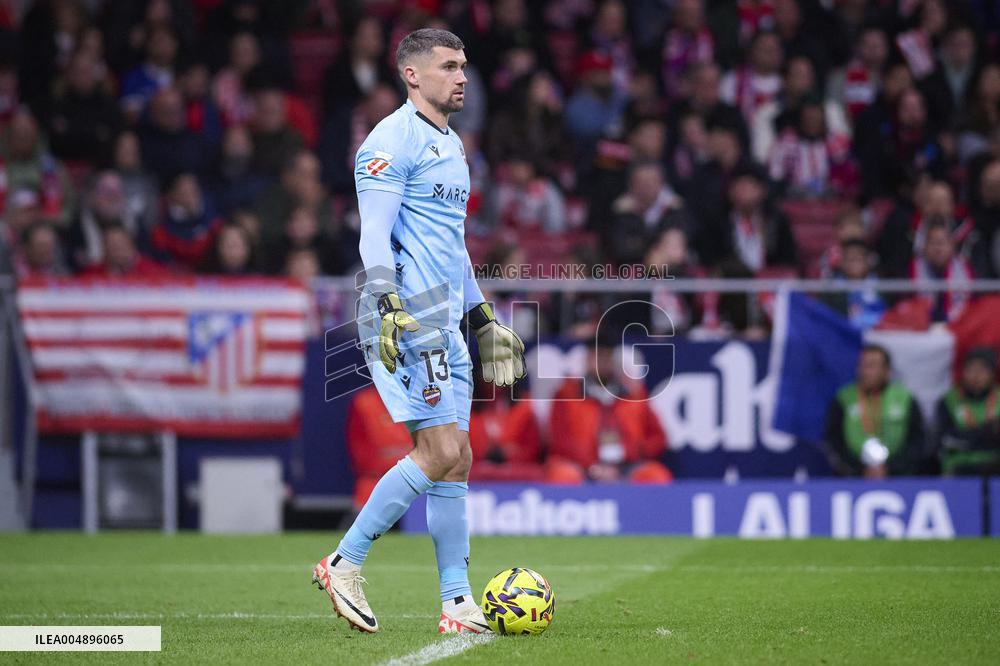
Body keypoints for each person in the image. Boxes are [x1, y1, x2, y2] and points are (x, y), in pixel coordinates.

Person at [311, 29, 525, 636]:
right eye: (449, 67)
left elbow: (452, 247)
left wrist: (482, 318)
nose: (463, 78)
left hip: (445, 317)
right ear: (412, 74)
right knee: (437, 454)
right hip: (406, 313)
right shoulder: (389, 140)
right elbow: (372, 233)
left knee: (458, 461)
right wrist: (384, 300)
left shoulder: (452, 145)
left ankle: (457, 603)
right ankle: (344, 562)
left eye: (465, 66)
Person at [824, 344, 928, 478]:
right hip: (853, 478)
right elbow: (833, 441)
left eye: (871, 366)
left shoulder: (904, 398)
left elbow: (917, 441)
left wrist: (891, 469)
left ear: (887, 371)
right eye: (862, 365)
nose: (864, 371)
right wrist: (861, 470)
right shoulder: (844, 398)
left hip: (899, 477)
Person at [934, 347, 1000, 475]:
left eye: (982, 370)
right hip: (960, 467)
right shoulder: (949, 401)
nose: (976, 376)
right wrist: (986, 433)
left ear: (992, 374)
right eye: (970, 369)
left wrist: (968, 438)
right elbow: (945, 440)